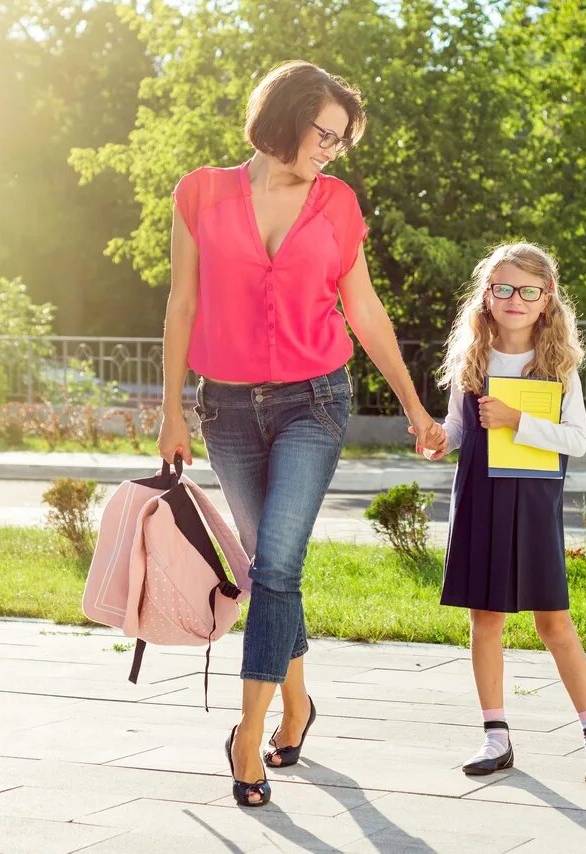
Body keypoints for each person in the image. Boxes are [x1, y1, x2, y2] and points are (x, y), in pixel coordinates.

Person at [157, 60, 447, 807]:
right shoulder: (200, 192)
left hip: (314, 402)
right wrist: (170, 409)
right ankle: (297, 704)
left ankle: (246, 736)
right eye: (326, 133)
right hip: (225, 406)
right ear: (286, 115)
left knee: (279, 565)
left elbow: (366, 309)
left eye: (343, 141)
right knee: (265, 565)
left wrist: (415, 408)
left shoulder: (337, 205)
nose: (332, 149)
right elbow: (181, 307)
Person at [424, 242, 586, 785]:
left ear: (545, 300)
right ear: (487, 296)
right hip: (481, 497)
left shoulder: (556, 365)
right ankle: (495, 735)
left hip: (533, 500)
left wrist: (514, 420)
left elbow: (576, 440)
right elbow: (461, 430)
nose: (515, 299)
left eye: (528, 291)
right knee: (484, 619)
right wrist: (439, 439)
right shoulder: (472, 359)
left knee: (552, 620)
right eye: (504, 288)